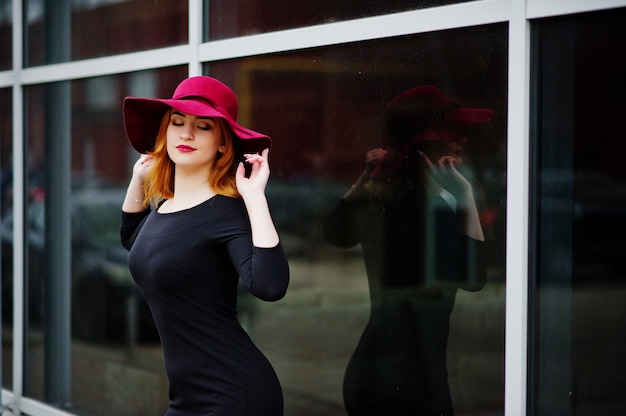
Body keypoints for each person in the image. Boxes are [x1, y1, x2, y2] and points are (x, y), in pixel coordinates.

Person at [119, 76, 289, 416]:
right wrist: (138, 179)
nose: (186, 134)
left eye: (203, 126)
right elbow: (134, 241)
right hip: (185, 398)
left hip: (232, 394)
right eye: (177, 123)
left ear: (223, 143)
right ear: (164, 133)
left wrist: (254, 197)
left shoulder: (227, 211)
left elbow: (270, 285)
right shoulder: (164, 206)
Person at [324, 85, 493, 416]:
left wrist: (369, 176)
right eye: (454, 131)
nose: (463, 140)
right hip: (408, 382)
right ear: (427, 141)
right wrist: (465, 194)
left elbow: (336, 233)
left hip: (374, 370)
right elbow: (474, 278)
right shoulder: (433, 204)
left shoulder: (388, 197)